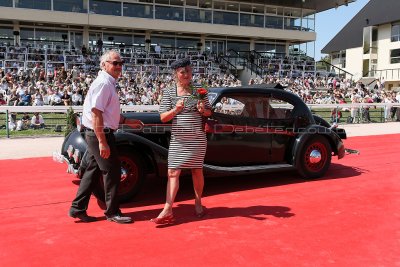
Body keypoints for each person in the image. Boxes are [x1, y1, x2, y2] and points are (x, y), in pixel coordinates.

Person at [69, 50, 134, 224]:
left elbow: (105, 112)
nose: (119, 66)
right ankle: (112, 212)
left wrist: (127, 120)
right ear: (104, 64)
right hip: (100, 133)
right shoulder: (104, 84)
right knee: (112, 171)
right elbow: (96, 113)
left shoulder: (107, 83)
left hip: (97, 132)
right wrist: (102, 142)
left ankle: (77, 208)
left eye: (121, 63)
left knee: (91, 171)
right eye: (115, 63)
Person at [151, 58, 212, 224]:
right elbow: (163, 117)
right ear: (176, 74)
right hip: (178, 140)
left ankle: (198, 202)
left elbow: (209, 112)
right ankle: (167, 208)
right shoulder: (169, 92)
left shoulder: (200, 90)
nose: (186, 74)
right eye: (182, 72)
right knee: (172, 172)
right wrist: (176, 110)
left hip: (197, 138)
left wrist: (202, 109)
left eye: (189, 71)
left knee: (196, 170)